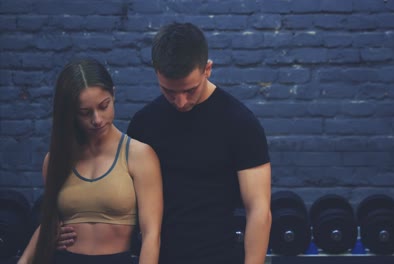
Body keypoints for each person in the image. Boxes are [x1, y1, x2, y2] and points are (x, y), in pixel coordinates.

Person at [58, 22, 272, 264]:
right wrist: (63, 224)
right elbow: (119, 198)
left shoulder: (240, 123)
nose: (180, 101)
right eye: (169, 91)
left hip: (218, 256)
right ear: (156, 72)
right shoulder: (144, 124)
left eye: (190, 91)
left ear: (208, 69)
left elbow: (259, 211)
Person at [18, 58, 163, 264]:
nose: (97, 119)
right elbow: (48, 223)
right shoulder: (56, 159)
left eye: (104, 106)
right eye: (85, 112)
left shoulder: (139, 155)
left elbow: (151, 236)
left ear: (113, 94)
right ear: (71, 113)